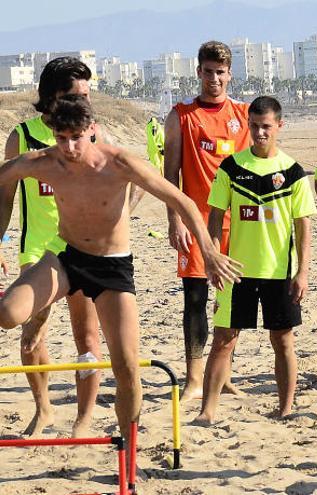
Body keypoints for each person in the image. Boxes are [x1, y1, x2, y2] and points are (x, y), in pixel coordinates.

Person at [0, 95, 241, 439]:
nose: (69, 147)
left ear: (92, 130)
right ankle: (40, 343)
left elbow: (181, 200)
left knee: (127, 367)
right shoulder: (43, 161)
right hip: (66, 258)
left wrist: (209, 251)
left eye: (76, 137)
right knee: (8, 313)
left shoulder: (119, 163)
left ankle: (128, 444)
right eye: (61, 137)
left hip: (112, 270)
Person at [0, 57, 105, 438]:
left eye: (87, 96)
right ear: (53, 96)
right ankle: (44, 409)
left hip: (80, 247)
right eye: (77, 95)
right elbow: (5, 196)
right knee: (29, 338)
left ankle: (83, 421)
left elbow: (119, 182)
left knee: (87, 339)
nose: (85, 103)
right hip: (35, 248)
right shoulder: (23, 137)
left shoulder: (91, 133)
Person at [195, 96, 315, 424]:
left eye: (267, 127)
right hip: (237, 272)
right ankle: (207, 411)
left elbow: (304, 228)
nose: (260, 133)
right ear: (247, 125)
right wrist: (214, 259)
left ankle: (286, 408)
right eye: (255, 126)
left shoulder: (293, 172)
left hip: (280, 272)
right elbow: (215, 218)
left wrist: (302, 272)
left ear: (279, 126)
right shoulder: (232, 167)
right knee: (224, 339)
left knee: (283, 340)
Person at [164, 41, 250, 401]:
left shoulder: (244, 115)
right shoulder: (182, 115)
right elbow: (170, 176)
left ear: (230, 75)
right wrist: (175, 220)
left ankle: (222, 375)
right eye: (208, 71)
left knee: (230, 302)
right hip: (196, 222)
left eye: (220, 72)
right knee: (195, 299)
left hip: (238, 222)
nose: (214, 78)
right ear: (198, 72)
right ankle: (194, 379)